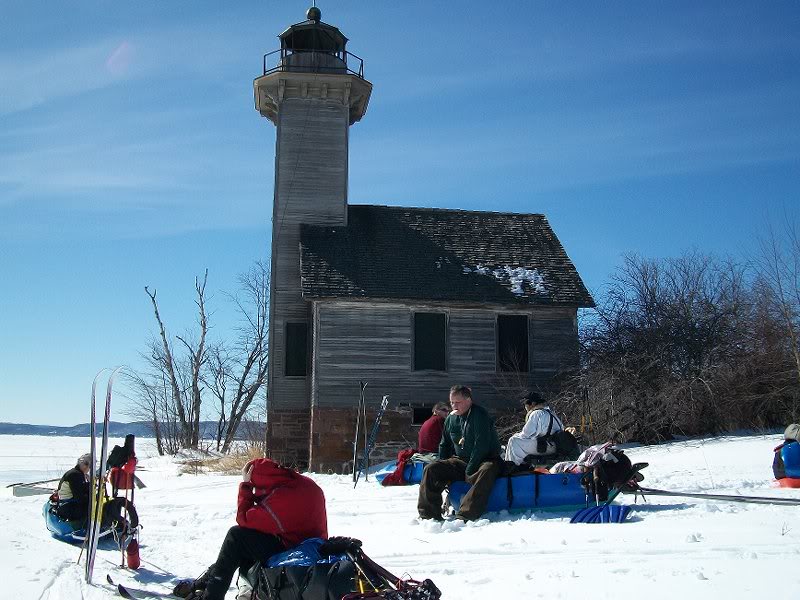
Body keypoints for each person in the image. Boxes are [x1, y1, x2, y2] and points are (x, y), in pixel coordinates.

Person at [180, 458, 328, 600]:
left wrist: (245, 486)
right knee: (247, 539)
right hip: (315, 547)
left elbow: (243, 518)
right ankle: (206, 583)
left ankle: (211, 595)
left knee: (237, 536)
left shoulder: (281, 497)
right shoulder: (303, 483)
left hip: (293, 553)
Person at [417, 385, 502, 521]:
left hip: (485, 458)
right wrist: (443, 465)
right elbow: (444, 444)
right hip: (460, 460)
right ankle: (429, 515)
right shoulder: (451, 419)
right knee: (431, 469)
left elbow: (482, 445)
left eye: (458, 402)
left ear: (468, 400)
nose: (454, 406)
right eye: (451, 402)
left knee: (487, 470)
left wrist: (469, 470)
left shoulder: (480, 415)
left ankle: (465, 515)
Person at [504, 391, 564, 465]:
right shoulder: (552, 413)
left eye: (526, 404)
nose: (525, 407)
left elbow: (526, 434)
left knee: (514, 441)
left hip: (545, 447)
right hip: (555, 446)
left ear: (532, 404)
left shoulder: (536, 413)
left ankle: (513, 467)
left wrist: (516, 435)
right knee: (516, 440)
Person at [54, 453, 92, 521]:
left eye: (90, 466)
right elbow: (80, 497)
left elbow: (80, 489)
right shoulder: (75, 475)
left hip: (67, 504)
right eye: (86, 464)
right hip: (68, 506)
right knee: (94, 509)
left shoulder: (77, 473)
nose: (88, 468)